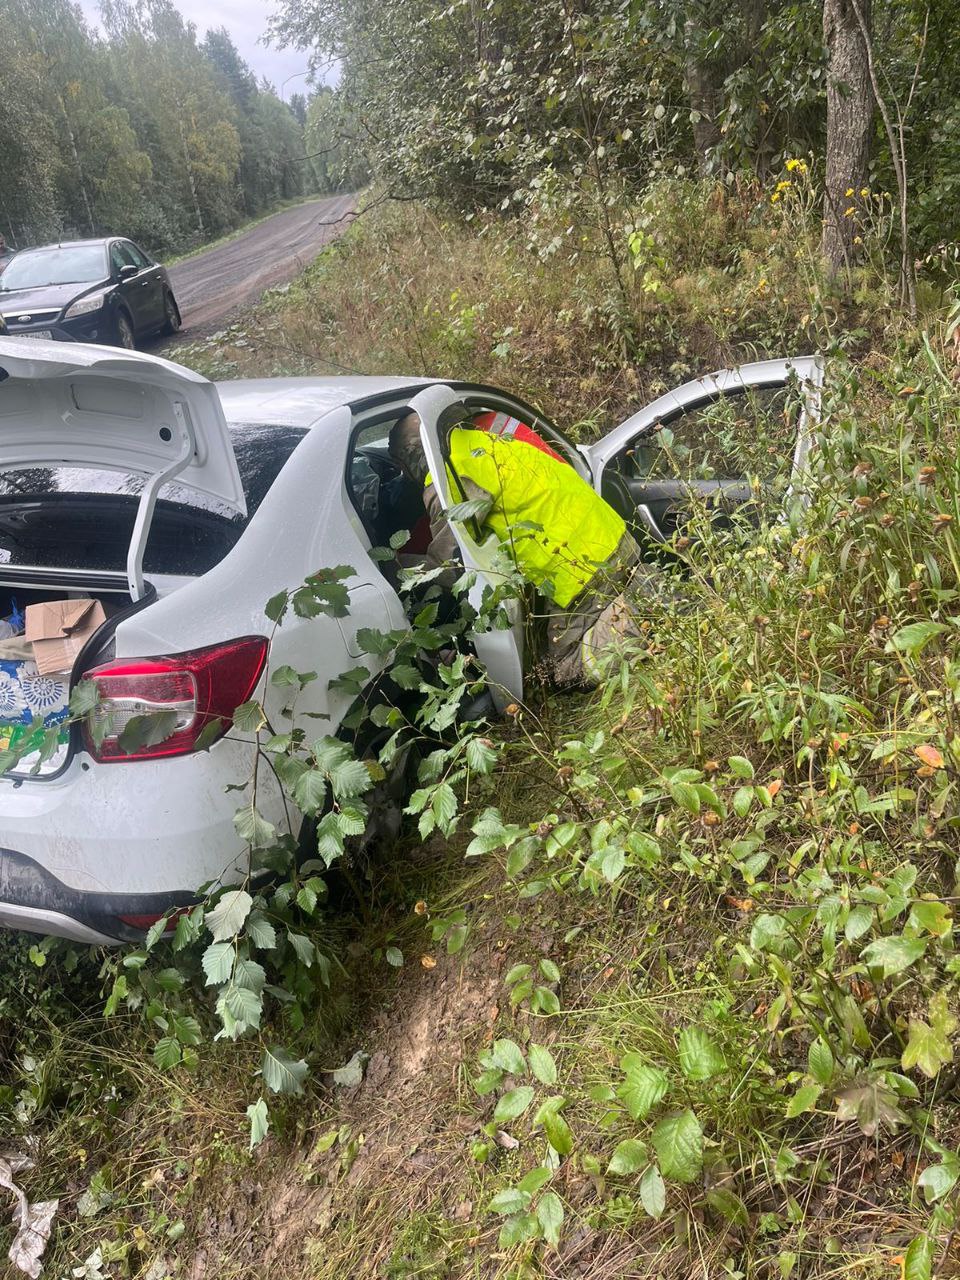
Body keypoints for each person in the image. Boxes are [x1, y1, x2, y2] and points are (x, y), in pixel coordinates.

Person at [388, 409, 650, 687]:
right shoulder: (484, 440)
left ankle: (646, 606)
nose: (405, 475)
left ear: (411, 456)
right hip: (614, 536)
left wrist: (395, 567)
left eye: (401, 466)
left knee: (563, 670)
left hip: (579, 572)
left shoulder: (446, 479)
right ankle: (643, 593)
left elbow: (452, 566)